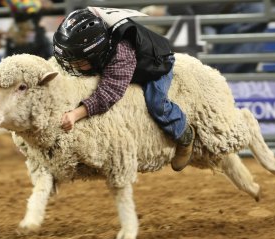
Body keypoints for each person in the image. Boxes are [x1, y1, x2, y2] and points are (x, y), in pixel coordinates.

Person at [53, 7, 195, 171]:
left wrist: (75, 114)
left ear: (95, 53)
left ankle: (184, 136)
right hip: (124, 58)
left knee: (157, 103)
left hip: (156, 64)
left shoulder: (121, 55)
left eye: (78, 62)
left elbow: (109, 92)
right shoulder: (99, 38)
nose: (72, 66)